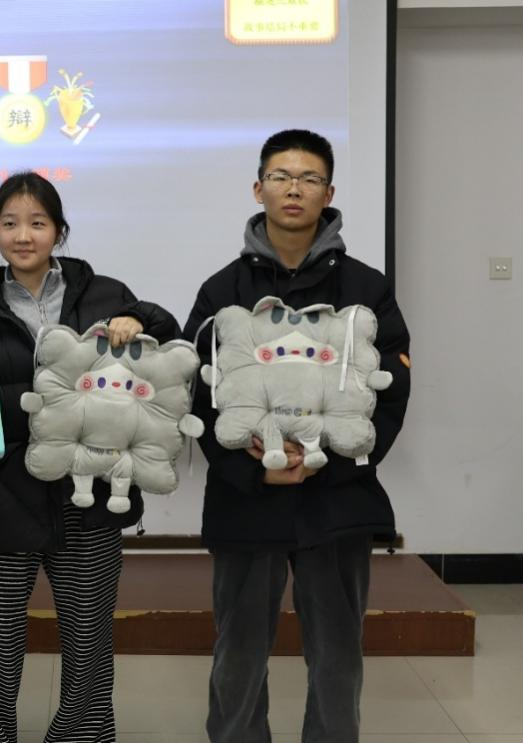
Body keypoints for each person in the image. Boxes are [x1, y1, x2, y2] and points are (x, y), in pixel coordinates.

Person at [0, 171, 180, 742]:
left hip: (88, 495)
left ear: (58, 231)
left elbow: (166, 340)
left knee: (89, 640)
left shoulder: (105, 295)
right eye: (10, 223)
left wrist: (142, 320)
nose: (24, 235)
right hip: (0, 494)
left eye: (37, 223)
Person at [182, 129, 411, 743]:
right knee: (238, 652)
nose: (293, 189)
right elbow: (198, 392)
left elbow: (389, 392)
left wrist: (326, 463)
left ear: (328, 194)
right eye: (281, 176)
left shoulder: (365, 289)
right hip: (246, 499)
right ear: (258, 188)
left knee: (337, 654)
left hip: (336, 499)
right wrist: (248, 469)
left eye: (309, 179)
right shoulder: (222, 290)